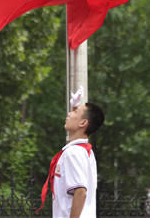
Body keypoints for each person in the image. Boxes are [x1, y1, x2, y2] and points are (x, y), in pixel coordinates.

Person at [37, 87, 104, 218]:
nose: (69, 114)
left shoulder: (74, 153)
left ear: (83, 122)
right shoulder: (84, 151)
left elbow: (80, 192)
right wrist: (76, 109)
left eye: (74, 112)